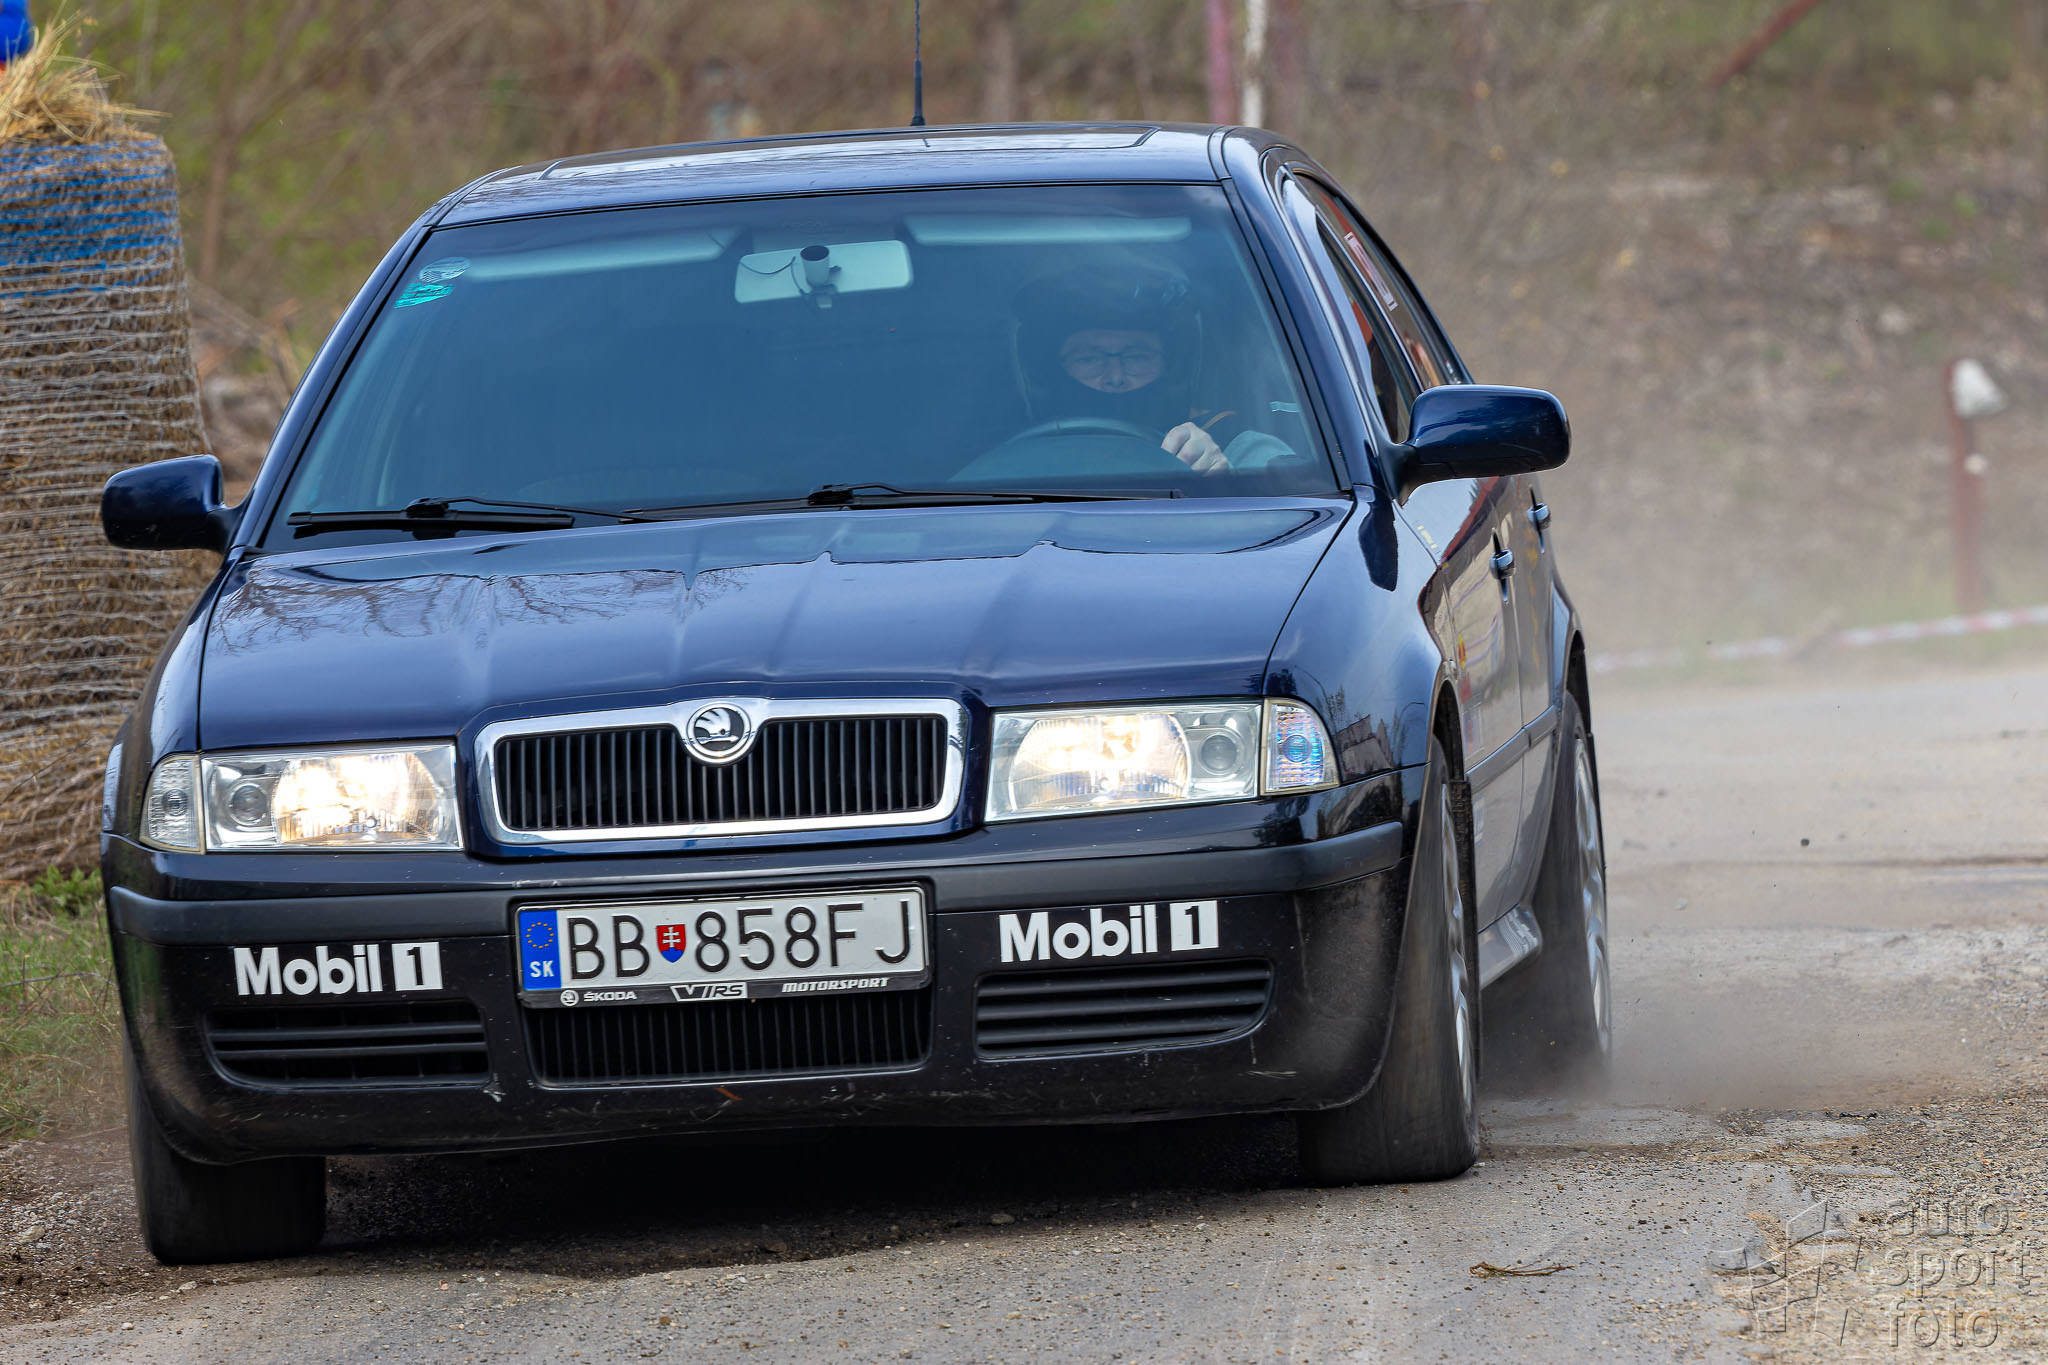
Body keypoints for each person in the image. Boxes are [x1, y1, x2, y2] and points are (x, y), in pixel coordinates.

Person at [1011, 264, 1297, 475]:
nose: (1115, 376)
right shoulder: (1007, 445)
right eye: (1089, 359)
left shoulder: (1230, 441)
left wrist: (1225, 477)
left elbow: (1294, 503)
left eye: (1137, 357)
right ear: (1052, 369)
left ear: (1171, 365)